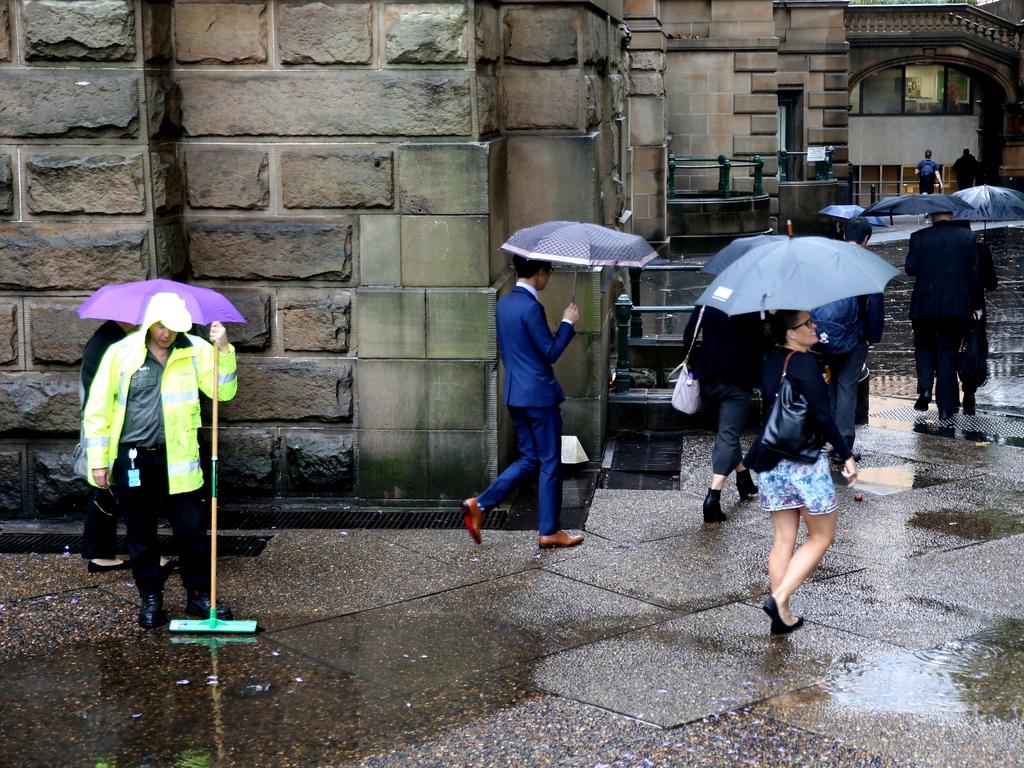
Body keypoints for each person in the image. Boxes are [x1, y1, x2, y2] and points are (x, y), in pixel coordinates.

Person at [83, 293, 239, 629]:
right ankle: (150, 597)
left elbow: (223, 392)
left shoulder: (196, 349)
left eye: (173, 327)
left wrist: (223, 350)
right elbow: (98, 410)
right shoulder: (121, 353)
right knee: (141, 533)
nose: (166, 333)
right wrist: (99, 461)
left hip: (180, 457)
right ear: (150, 321)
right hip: (135, 458)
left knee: (192, 532)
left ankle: (199, 596)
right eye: (161, 326)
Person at [744, 310, 858, 634]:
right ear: (791, 333)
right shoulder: (806, 364)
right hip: (804, 464)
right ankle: (778, 598)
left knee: (783, 540)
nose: (814, 327)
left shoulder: (771, 364)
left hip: (770, 462)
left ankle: (782, 614)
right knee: (821, 536)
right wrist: (846, 455)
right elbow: (823, 416)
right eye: (807, 324)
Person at [462, 256, 582, 549]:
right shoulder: (531, 307)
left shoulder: (504, 304)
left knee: (530, 458)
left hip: (516, 394)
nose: (549, 276)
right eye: (549, 271)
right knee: (550, 462)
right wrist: (567, 322)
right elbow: (550, 352)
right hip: (539, 397)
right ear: (540, 272)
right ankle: (550, 530)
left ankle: (480, 504)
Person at [810, 217, 885, 461]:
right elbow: (874, 304)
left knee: (832, 385)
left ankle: (827, 437)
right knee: (846, 388)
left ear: (844, 236)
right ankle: (843, 445)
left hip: (827, 333)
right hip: (854, 336)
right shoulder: (868, 264)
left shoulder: (828, 260)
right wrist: (872, 335)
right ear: (866, 239)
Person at [681, 305, 763, 523]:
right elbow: (759, 345)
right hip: (738, 380)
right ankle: (713, 496)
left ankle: (743, 476)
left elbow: (688, 335)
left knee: (727, 431)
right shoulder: (752, 306)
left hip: (709, 379)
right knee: (728, 435)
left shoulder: (710, 299)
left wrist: (699, 363)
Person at [906, 211, 984, 419]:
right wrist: (976, 306)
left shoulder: (919, 237)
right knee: (947, 353)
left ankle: (924, 388)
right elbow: (973, 274)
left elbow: (910, 269)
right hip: (956, 306)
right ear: (951, 214)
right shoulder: (966, 237)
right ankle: (945, 408)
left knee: (923, 347)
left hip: (924, 305)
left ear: (932, 216)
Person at [80, 320, 133, 573]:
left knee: (107, 489)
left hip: (105, 422)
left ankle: (99, 553)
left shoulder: (106, 337)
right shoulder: (110, 342)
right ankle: (100, 554)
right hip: (108, 424)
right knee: (108, 487)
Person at [958, 228, 998, 415]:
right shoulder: (981, 250)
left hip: (950, 307)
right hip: (976, 309)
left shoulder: (949, 249)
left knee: (948, 350)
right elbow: (992, 284)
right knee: (974, 348)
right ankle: (969, 390)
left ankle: (949, 395)